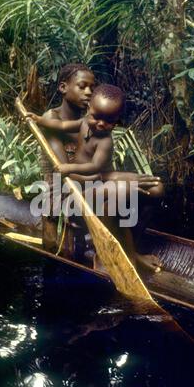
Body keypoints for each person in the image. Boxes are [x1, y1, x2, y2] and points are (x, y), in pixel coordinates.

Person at [28, 83, 164, 272]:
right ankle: (109, 251)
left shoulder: (104, 140)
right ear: (88, 110)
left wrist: (70, 168)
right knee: (123, 192)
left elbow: (96, 168)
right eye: (96, 117)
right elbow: (61, 125)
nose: (101, 124)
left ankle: (129, 247)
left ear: (116, 121)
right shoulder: (81, 122)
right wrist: (39, 120)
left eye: (109, 121)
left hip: (95, 178)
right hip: (75, 191)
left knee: (156, 188)